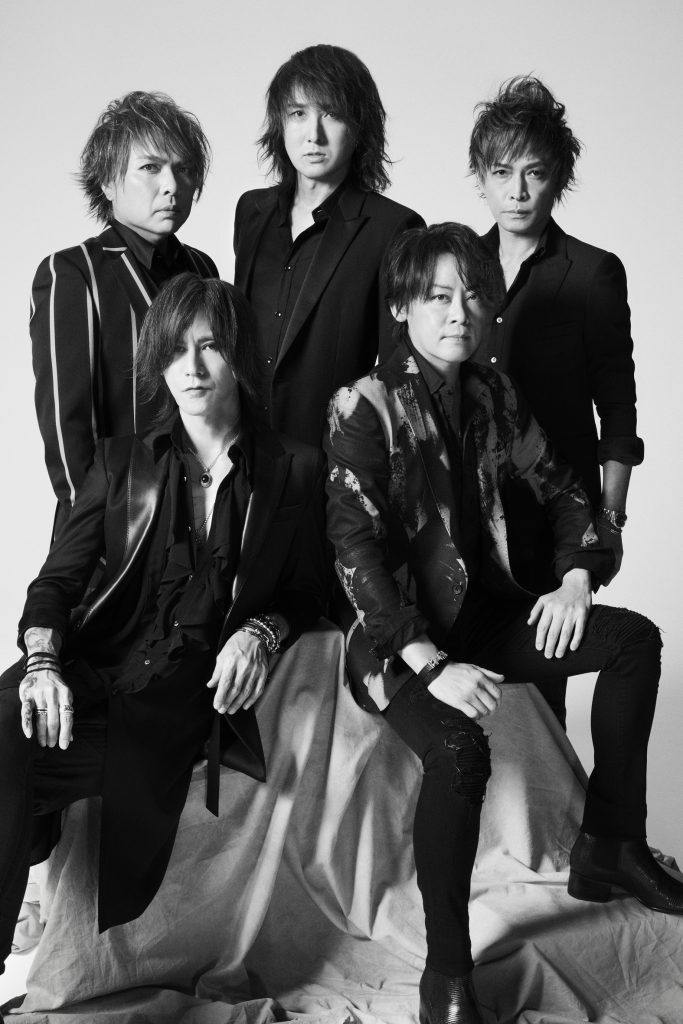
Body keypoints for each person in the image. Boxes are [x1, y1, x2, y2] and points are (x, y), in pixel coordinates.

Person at [324, 224, 681, 1024]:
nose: (460, 311)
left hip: (481, 615)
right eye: (438, 296)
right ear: (401, 307)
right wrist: (428, 662)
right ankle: (446, 972)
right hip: (392, 642)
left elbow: (562, 488)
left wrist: (576, 576)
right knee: (458, 750)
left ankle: (610, 844)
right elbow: (355, 555)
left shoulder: (491, 392)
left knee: (632, 642)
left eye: (473, 295)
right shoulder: (362, 406)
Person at [0, 273, 326, 991]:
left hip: (173, 698)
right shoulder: (120, 462)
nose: (192, 367)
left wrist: (261, 631)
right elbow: (54, 584)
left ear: (239, 354)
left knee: (9, 755)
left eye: (210, 346)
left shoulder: (294, 467)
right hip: (89, 664)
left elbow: (310, 592)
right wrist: (43, 662)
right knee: (3, 718)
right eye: (175, 350)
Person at [469, 76, 643, 726]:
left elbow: (617, 411)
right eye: (501, 172)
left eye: (534, 173)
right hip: (465, 527)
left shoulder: (592, 273)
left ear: (558, 178)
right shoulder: (456, 269)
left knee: (535, 720)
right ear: (480, 178)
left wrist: (609, 523)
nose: (516, 191)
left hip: (552, 530)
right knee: (459, 715)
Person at [30, 91, 219, 535]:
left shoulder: (203, 269)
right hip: (115, 528)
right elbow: (68, 430)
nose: (172, 185)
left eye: (184, 169)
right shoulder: (73, 273)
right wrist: (98, 534)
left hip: (201, 522)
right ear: (108, 183)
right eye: (150, 168)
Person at [234, 43, 424, 446]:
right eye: (298, 114)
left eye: (332, 114)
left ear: (359, 127)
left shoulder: (392, 228)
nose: (313, 135)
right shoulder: (252, 212)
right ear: (280, 123)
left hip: (331, 456)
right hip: (244, 451)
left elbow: (397, 371)